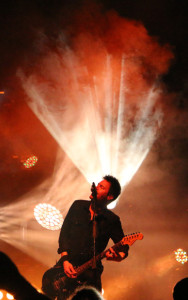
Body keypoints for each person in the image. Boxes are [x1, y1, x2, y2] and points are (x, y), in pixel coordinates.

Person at [42, 175, 129, 299]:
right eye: (98, 185)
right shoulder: (78, 206)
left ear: (110, 196)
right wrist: (65, 260)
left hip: (91, 274)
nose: (96, 187)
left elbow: (124, 246)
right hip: (67, 268)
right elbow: (64, 235)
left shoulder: (112, 220)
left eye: (101, 187)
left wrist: (117, 257)